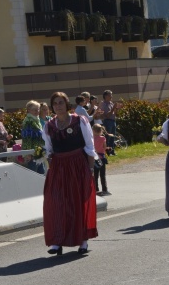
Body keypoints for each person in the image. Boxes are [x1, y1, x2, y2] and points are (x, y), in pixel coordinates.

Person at [42, 92, 97, 255]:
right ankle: (57, 241)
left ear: (67, 105)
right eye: (55, 104)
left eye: (60, 103)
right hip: (59, 167)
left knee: (77, 202)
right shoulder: (49, 126)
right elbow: (49, 150)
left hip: (78, 165)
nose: (58, 106)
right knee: (57, 202)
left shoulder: (80, 121)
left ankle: (83, 240)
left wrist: (90, 169)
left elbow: (89, 145)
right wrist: (52, 169)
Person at [21, 100, 45, 174]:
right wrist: (28, 153)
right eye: (34, 110)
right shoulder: (28, 121)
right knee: (34, 173)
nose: (37, 111)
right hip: (32, 153)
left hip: (38, 150)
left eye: (38, 109)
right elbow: (26, 138)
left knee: (41, 172)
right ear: (28, 110)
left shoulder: (36, 120)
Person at [99, 90, 121, 155]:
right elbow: (107, 115)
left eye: (111, 95)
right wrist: (113, 108)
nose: (111, 96)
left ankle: (112, 151)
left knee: (112, 137)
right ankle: (107, 151)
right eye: (110, 95)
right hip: (107, 121)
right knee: (108, 137)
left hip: (113, 121)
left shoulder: (111, 103)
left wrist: (116, 109)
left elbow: (115, 114)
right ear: (105, 96)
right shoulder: (104, 104)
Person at [92, 124, 110, 196]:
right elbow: (104, 147)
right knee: (103, 174)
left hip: (95, 158)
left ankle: (96, 189)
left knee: (95, 175)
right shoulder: (102, 138)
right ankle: (104, 189)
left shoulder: (91, 138)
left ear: (93, 130)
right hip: (102, 158)